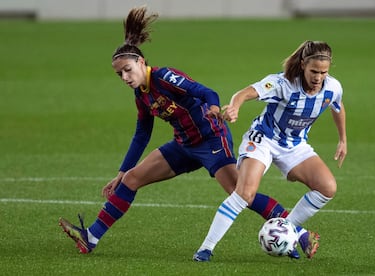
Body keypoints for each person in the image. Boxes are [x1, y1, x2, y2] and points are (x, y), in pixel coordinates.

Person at [58, 7, 317, 259]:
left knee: (240, 195)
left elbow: (205, 92)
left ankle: (298, 233)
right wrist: (121, 173)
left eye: (128, 70)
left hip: (212, 140)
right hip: (184, 145)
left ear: (140, 62)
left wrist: (215, 108)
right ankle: (91, 237)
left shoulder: (164, 77)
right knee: (131, 180)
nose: (125, 77)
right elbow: (141, 134)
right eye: (119, 74)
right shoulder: (142, 95)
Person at [193, 40, 347, 262]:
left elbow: (338, 106)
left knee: (327, 188)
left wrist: (343, 139)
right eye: (314, 71)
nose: (318, 77)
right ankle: (206, 249)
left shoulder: (332, 87)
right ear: (303, 64)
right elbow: (245, 93)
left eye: (323, 72)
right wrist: (235, 106)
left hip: (294, 145)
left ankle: (290, 233)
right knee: (244, 194)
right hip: (263, 139)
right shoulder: (282, 83)